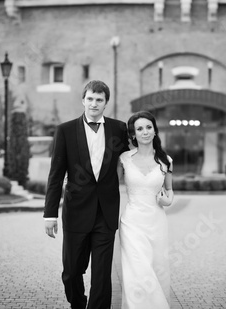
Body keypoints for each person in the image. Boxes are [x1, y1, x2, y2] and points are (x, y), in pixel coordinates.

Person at [44, 80, 129, 309]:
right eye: (90, 98)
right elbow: (55, 174)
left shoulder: (119, 129)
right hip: (76, 212)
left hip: (105, 212)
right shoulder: (65, 130)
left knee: (102, 276)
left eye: (99, 100)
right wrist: (49, 214)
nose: (94, 103)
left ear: (106, 103)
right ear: (83, 100)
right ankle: (78, 305)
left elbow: (135, 159)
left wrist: (162, 166)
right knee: (72, 272)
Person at [117, 110, 174, 309]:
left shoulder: (166, 160)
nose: (145, 132)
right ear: (133, 134)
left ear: (155, 130)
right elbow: (109, 186)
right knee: (138, 272)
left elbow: (169, 191)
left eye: (148, 127)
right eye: (139, 129)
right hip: (131, 223)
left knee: (155, 270)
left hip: (157, 223)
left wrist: (166, 201)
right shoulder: (124, 158)